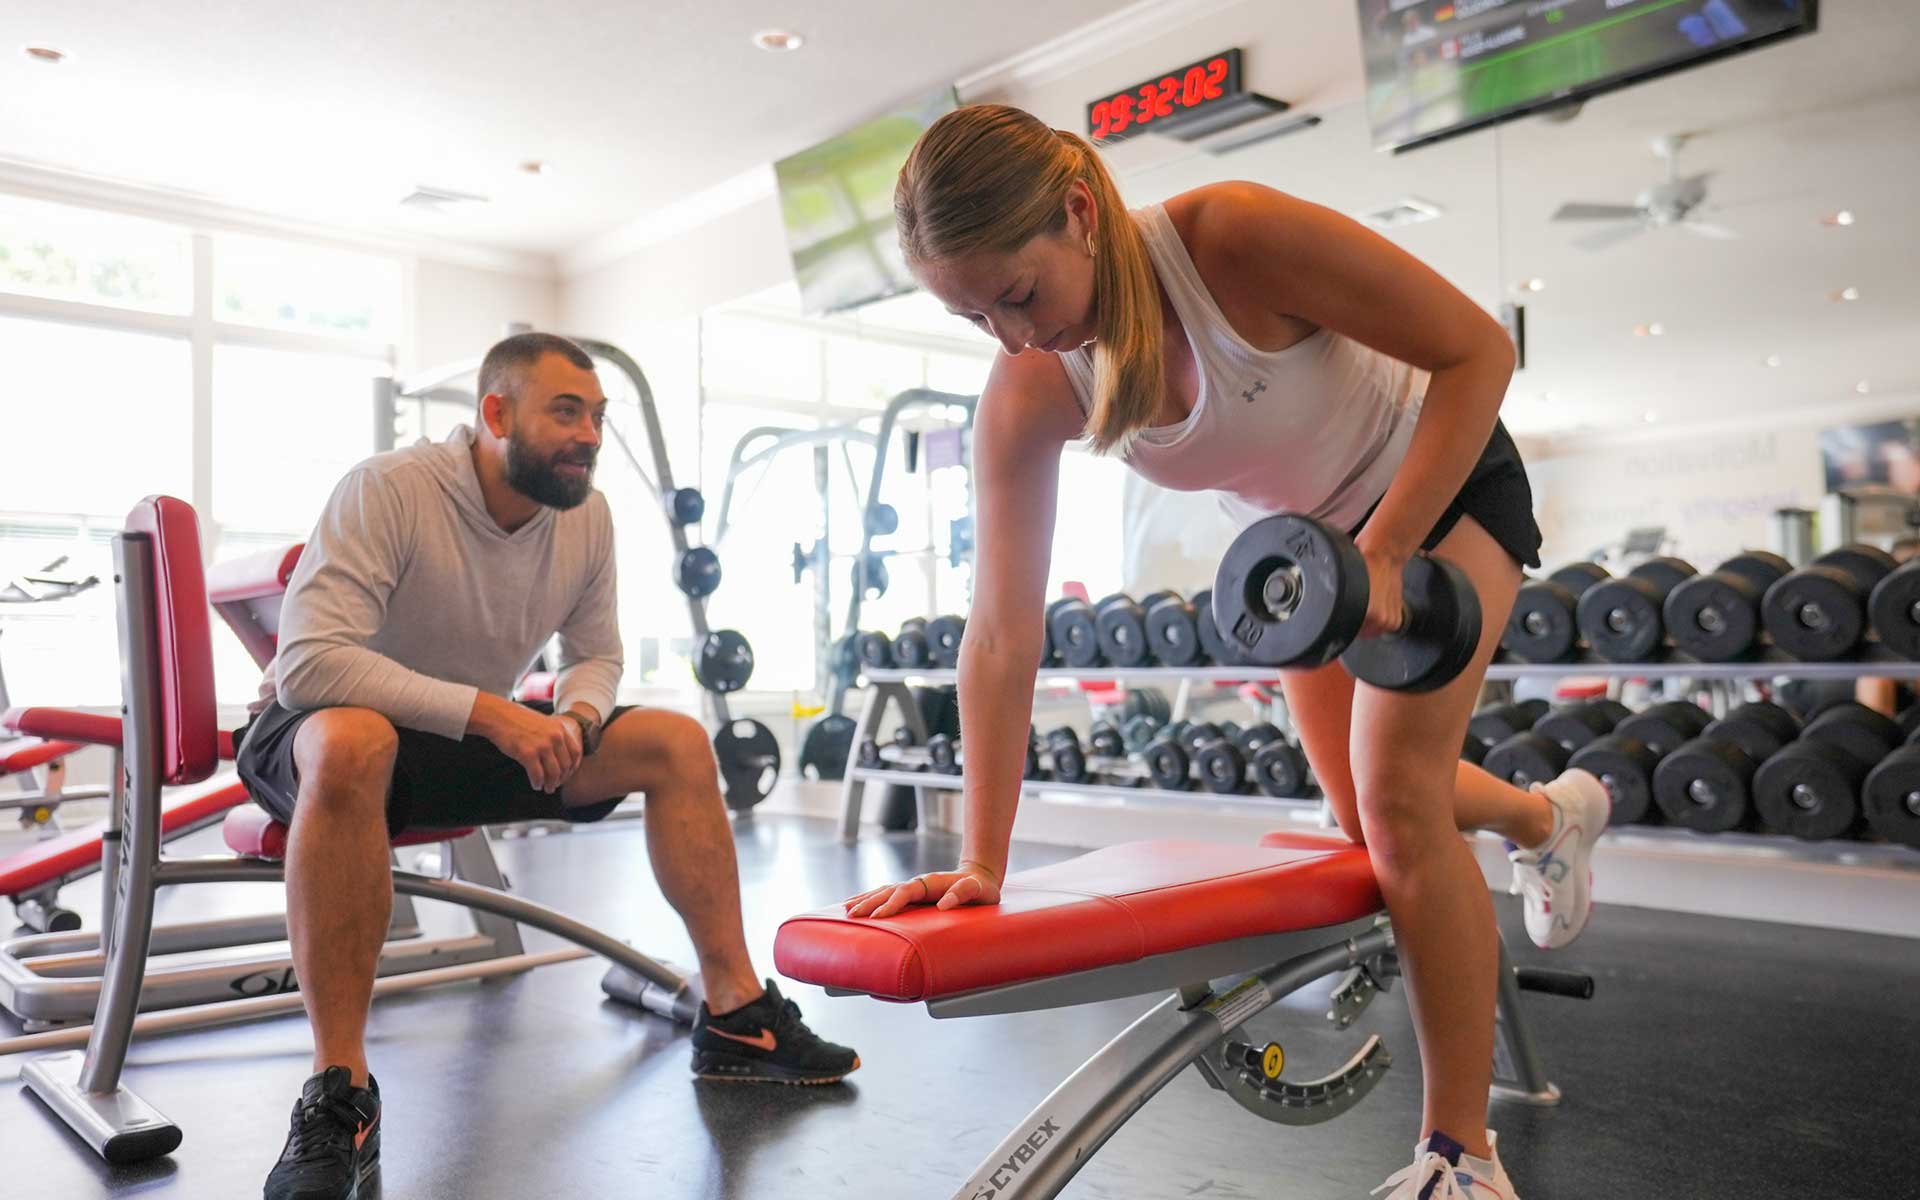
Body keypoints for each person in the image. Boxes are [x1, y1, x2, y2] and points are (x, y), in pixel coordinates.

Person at [843, 105, 1607, 1199]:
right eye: (974, 318)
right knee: (1365, 810)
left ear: (1078, 213)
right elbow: (1003, 633)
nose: (1011, 338)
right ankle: (1546, 818)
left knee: (1399, 801)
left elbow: (1478, 353)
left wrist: (1390, 546)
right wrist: (983, 862)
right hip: (1308, 553)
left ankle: (1460, 1159)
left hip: (1439, 488)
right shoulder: (1032, 385)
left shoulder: (1231, 241)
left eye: (1017, 295)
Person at [235, 332, 858, 1200]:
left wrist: (576, 715)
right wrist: (495, 714)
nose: (589, 435)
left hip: (464, 739)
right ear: (496, 414)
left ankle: (735, 1015)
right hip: (313, 737)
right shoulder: (389, 489)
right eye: (566, 413)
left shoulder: (585, 517)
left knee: (675, 741)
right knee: (355, 739)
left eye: (597, 416)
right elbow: (310, 663)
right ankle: (341, 1092)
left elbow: (595, 654)